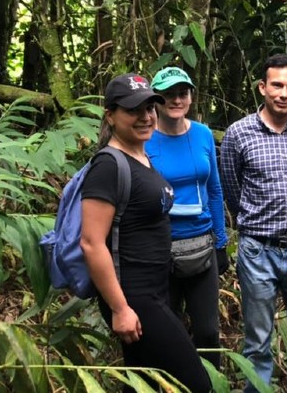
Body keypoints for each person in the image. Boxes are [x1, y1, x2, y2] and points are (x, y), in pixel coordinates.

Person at [79, 73, 212, 393]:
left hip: (155, 289)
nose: (146, 116)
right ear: (110, 115)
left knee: (146, 382)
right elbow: (91, 242)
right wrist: (120, 308)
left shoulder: (139, 155)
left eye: (150, 107)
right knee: (196, 383)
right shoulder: (109, 165)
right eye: (133, 110)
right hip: (135, 296)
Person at [220, 53, 287, 393]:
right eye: (277, 85)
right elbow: (232, 190)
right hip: (257, 251)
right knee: (257, 342)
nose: (283, 93)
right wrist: (257, 221)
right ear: (262, 87)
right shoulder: (239, 133)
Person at [146, 66, 229, 368]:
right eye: (168, 94)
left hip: (201, 246)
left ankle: (210, 385)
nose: (176, 99)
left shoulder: (203, 134)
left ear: (191, 97)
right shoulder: (145, 138)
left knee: (208, 333)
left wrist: (221, 242)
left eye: (182, 93)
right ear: (155, 99)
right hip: (160, 249)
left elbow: (215, 190)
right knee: (169, 331)